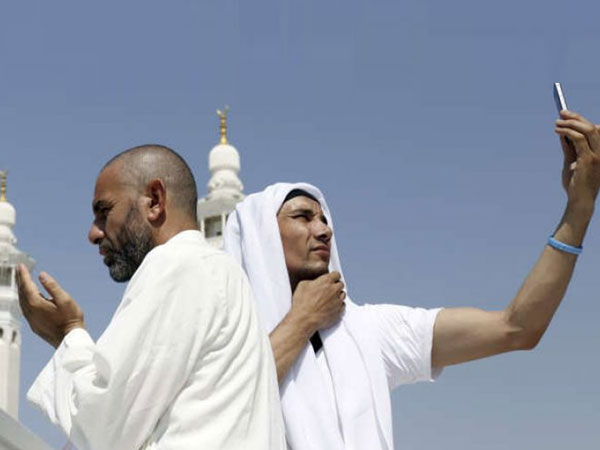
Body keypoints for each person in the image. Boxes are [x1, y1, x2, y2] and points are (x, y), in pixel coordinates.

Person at [223, 110, 600, 450]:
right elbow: (226, 409)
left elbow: (516, 327)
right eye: (303, 217)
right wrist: (302, 320)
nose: (323, 230)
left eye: (325, 219)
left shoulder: (367, 331)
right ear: (262, 237)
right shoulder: (226, 341)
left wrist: (579, 208)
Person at [17, 145, 285, 450]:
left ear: (155, 201)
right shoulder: (222, 273)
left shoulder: (178, 265)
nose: (93, 233)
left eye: (104, 212)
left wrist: (68, 333)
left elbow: (103, 426)